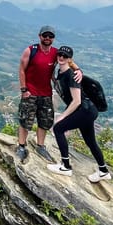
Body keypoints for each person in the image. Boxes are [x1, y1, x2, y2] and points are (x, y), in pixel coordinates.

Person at [16, 26, 80, 162]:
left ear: (53, 38)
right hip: (30, 93)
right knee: (25, 120)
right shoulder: (30, 50)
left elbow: (69, 61)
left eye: (50, 36)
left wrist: (78, 70)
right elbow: (22, 69)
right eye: (45, 35)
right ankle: (21, 146)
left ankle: (40, 146)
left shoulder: (56, 53)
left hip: (46, 93)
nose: (47, 38)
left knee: (44, 122)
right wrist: (23, 89)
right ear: (40, 36)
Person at [47, 45, 111, 182]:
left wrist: (62, 116)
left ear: (70, 59)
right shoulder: (62, 72)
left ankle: (65, 167)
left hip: (84, 110)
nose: (61, 57)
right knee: (90, 141)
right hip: (87, 111)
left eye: (65, 56)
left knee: (58, 128)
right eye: (60, 55)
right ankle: (103, 171)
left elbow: (76, 101)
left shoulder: (71, 75)